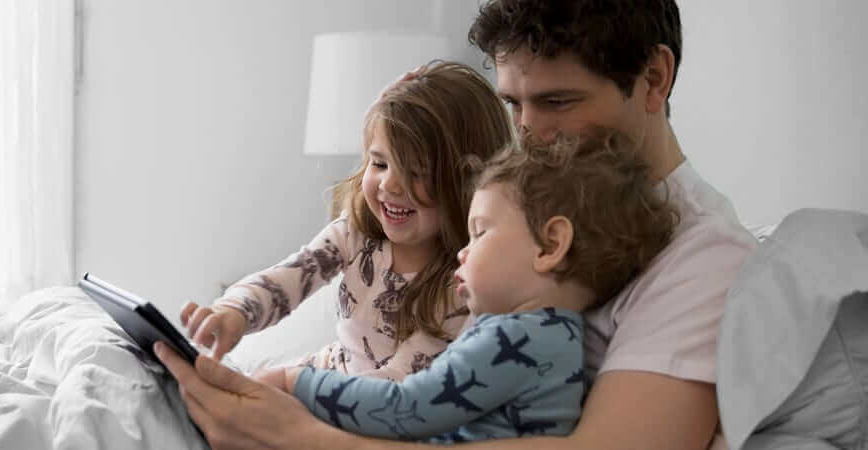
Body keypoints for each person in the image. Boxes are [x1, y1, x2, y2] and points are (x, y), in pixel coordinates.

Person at [157, 0, 758, 449]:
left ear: (654, 78)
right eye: (513, 104)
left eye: (556, 102)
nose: (528, 132)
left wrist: (296, 434)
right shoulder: (539, 194)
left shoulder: (700, 259)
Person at [257, 130, 678, 443]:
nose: (463, 250)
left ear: (550, 246)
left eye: (480, 232)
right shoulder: (550, 334)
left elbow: (408, 407)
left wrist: (296, 383)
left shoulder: (520, 337)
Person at [179, 61, 513, 382]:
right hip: (328, 371)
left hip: (372, 403)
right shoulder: (355, 232)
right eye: (379, 163)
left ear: (467, 181)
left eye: (416, 172)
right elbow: (287, 279)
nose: (389, 185)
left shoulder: (462, 283)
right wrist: (233, 313)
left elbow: (398, 383)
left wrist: (287, 389)